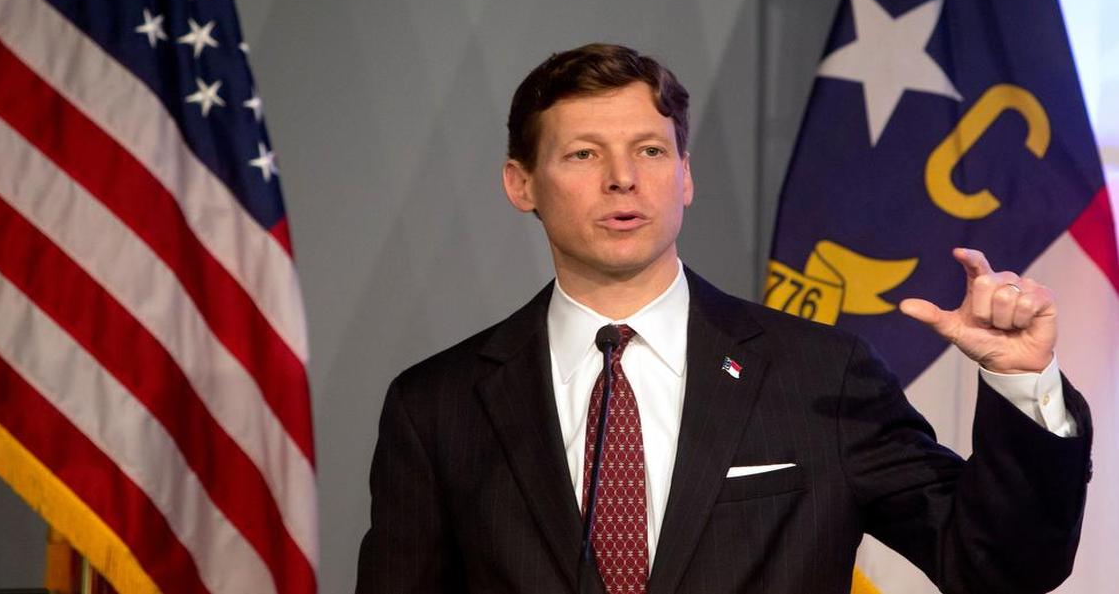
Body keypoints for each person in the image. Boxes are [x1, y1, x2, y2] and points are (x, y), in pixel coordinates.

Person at [355, 43, 1090, 594]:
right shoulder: (438, 406)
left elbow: (1000, 565)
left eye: (650, 149)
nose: (623, 178)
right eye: (583, 153)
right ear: (522, 184)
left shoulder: (820, 375)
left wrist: (1024, 386)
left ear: (686, 173)